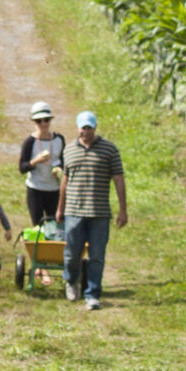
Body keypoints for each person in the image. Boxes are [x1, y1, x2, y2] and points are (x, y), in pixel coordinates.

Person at [57, 110, 127, 310]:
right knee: (71, 253)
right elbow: (65, 181)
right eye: (82, 128)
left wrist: (123, 210)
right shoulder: (69, 149)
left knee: (96, 256)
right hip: (74, 211)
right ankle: (71, 281)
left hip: (99, 213)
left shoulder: (109, 150)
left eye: (89, 128)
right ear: (77, 128)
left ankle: (92, 294)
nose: (85, 131)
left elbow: (119, 180)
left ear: (95, 128)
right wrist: (60, 208)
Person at [16, 102, 65, 229]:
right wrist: (35, 161)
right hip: (35, 189)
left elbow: (63, 161)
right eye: (39, 121)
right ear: (34, 122)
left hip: (54, 189)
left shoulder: (59, 139)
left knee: (54, 226)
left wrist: (59, 169)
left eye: (46, 120)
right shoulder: (29, 142)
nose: (43, 124)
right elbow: (22, 167)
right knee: (37, 227)